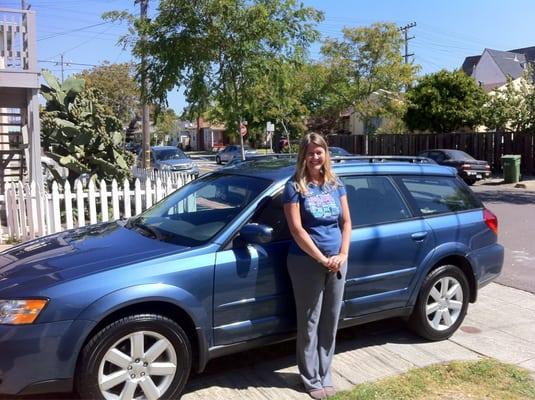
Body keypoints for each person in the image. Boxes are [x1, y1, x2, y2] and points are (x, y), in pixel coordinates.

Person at [283, 133, 352, 399]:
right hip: (306, 263)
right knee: (310, 322)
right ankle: (310, 378)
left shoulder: (336, 184)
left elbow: (346, 222)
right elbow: (297, 230)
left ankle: (326, 373)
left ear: (326, 154)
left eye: (319, 152)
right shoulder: (295, 187)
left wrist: (342, 254)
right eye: (310, 153)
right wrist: (322, 259)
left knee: (330, 320)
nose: (315, 157)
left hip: (337, 262)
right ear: (303, 155)